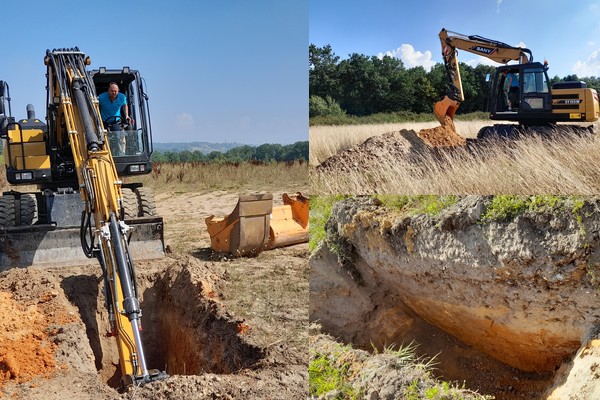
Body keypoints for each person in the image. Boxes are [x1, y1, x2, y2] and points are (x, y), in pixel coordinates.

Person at [98, 82, 131, 156]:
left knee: (121, 136)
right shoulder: (101, 97)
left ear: (118, 91)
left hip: (117, 121)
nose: (114, 93)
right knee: (104, 138)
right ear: (108, 91)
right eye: (112, 91)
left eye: (115, 91)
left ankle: (122, 154)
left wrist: (126, 116)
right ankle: (106, 154)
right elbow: (94, 104)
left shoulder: (122, 97)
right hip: (104, 122)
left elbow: (125, 105)